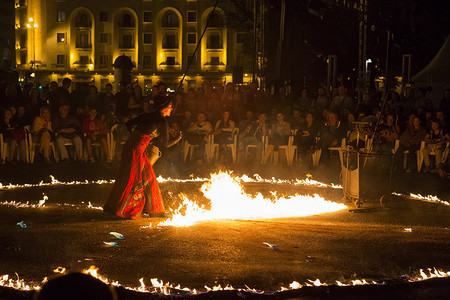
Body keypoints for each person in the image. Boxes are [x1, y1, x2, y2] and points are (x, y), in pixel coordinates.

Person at [103, 95, 181, 219]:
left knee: (148, 176)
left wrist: (140, 138)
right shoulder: (162, 121)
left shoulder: (148, 115)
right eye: (170, 107)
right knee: (134, 179)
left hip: (133, 146)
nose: (171, 110)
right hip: (136, 150)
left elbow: (129, 124)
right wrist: (177, 139)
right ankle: (128, 210)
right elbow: (165, 144)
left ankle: (155, 210)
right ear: (164, 108)